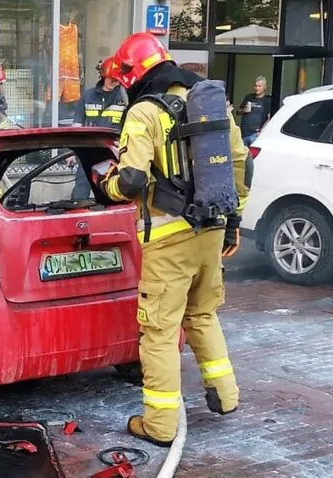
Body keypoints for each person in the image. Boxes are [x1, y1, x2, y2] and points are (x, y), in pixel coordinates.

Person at [92, 32, 252, 447]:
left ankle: (160, 426)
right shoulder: (212, 103)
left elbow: (131, 180)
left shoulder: (145, 111)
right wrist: (233, 220)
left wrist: (105, 186)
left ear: (133, 74)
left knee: (159, 332)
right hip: (211, 229)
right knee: (202, 315)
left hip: (168, 238)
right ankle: (226, 396)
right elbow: (240, 165)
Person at [68, 56, 128, 200]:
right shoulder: (88, 96)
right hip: (88, 151)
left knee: (108, 192)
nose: (114, 82)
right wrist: (71, 152)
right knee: (80, 192)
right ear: (103, 76)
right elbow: (77, 125)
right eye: (111, 79)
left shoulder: (124, 98)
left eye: (116, 80)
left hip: (112, 154)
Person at [236, 76, 272, 146]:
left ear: (265, 87)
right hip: (244, 134)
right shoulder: (249, 97)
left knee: (253, 153)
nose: (257, 88)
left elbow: (269, 118)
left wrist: (261, 132)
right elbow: (238, 112)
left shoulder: (268, 100)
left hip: (256, 135)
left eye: (259, 86)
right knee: (243, 153)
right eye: (255, 86)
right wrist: (244, 110)